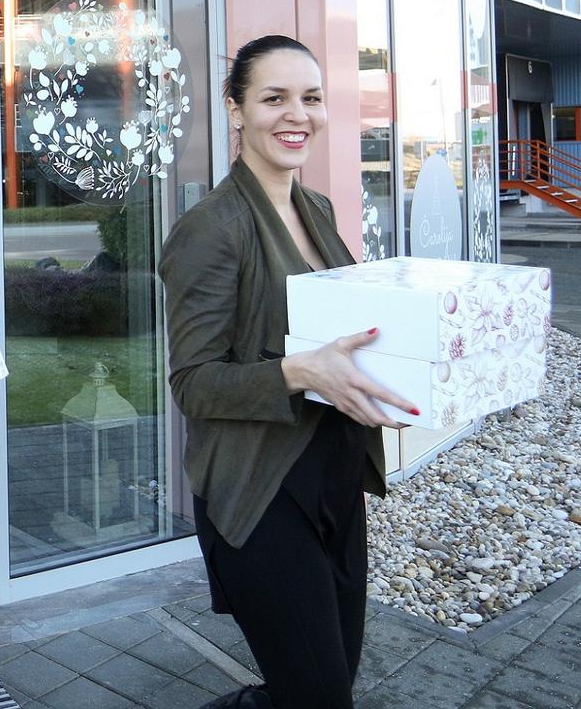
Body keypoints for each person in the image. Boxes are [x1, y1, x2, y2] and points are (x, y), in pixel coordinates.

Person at [159, 36, 420, 709]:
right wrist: (299, 372)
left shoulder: (318, 210)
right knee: (320, 696)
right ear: (236, 109)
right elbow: (193, 384)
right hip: (260, 491)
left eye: (310, 98)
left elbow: (337, 332)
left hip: (335, 477)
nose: (296, 114)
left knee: (325, 686)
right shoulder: (211, 228)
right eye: (274, 98)